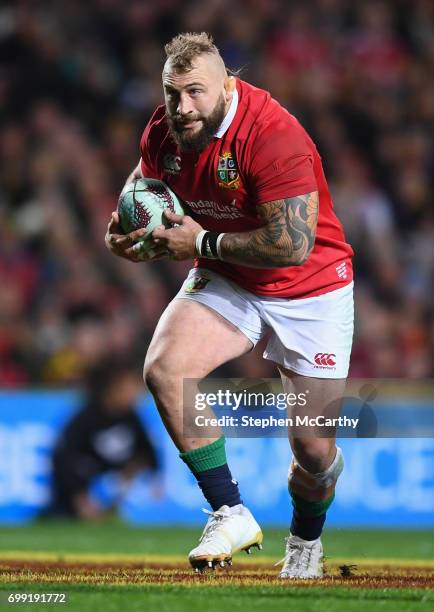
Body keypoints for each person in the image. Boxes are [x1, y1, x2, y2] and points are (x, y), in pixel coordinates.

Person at [105, 32, 354, 578]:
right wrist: (123, 228)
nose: (182, 106)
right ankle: (229, 509)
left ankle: (306, 541)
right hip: (228, 275)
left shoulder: (273, 134)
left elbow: (293, 244)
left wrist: (197, 243)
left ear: (227, 85)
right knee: (165, 369)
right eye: (173, 93)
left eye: (195, 92)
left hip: (309, 288)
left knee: (313, 451)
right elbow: (142, 181)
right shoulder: (167, 128)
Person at [51, 359, 160, 520]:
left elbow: (148, 451)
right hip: (82, 484)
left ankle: (114, 512)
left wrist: (143, 471)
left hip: (114, 484)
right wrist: (79, 497)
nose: (135, 395)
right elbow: (64, 457)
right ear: (113, 389)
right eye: (129, 389)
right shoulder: (86, 418)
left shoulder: (132, 418)